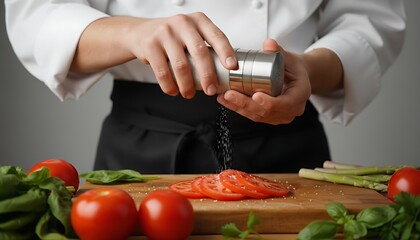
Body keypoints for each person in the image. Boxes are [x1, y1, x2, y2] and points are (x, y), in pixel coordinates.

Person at [5, 1, 406, 174]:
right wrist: (131, 33)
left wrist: (309, 69)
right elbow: (38, 13)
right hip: (140, 144)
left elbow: (368, 20)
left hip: (285, 135)